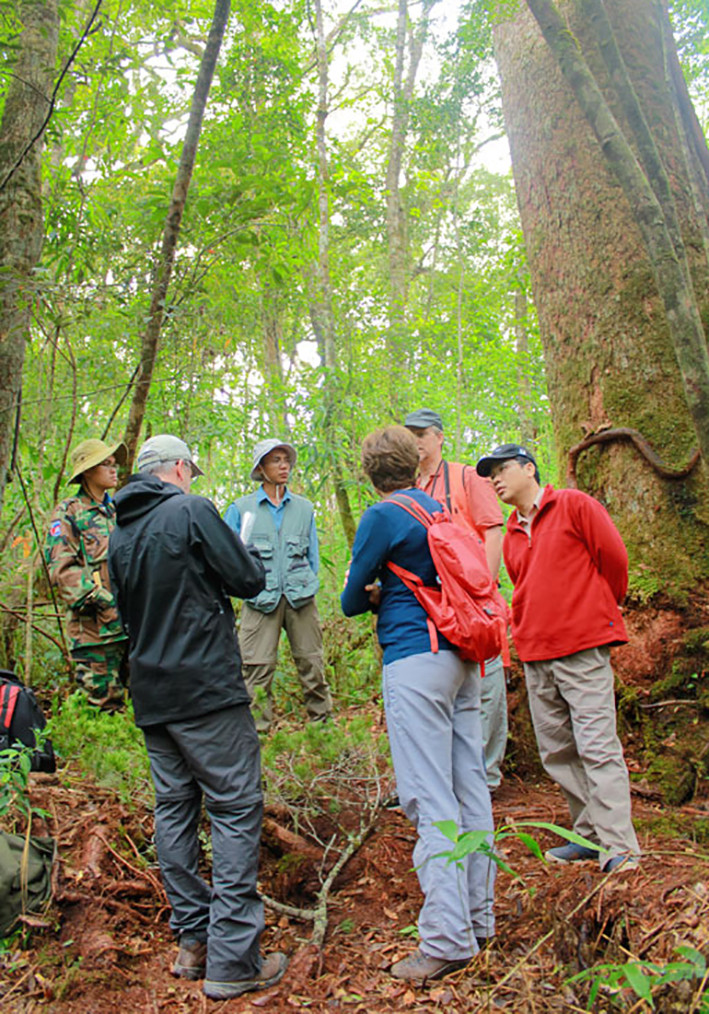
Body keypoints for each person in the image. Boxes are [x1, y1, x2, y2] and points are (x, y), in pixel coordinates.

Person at [107, 434, 288, 1000]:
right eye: (192, 471)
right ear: (179, 469)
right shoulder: (190, 511)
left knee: (176, 810)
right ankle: (234, 958)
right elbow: (249, 579)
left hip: (153, 696)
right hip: (206, 690)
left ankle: (194, 941)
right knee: (235, 808)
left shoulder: (120, 535)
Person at [342, 426, 495, 982]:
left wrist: (379, 591)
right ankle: (478, 920)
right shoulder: (438, 508)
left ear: (370, 471)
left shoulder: (382, 517)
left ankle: (447, 939)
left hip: (415, 659)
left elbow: (349, 600)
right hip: (462, 658)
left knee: (430, 798)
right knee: (469, 787)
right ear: (414, 463)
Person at [476, 443, 640, 872]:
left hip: (582, 647)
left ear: (529, 468)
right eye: (489, 473)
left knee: (597, 746)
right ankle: (588, 836)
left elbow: (614, 560)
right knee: (557, 751)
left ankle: (620, 845)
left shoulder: (573, 505)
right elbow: (521, 583)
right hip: (535, 652)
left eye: (501, 469)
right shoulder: (511, 530)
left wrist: (600, 608)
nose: (495, 479)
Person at [404, 408, 507, 791]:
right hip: (437, 606)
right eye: (410, 434)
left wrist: (485, 590)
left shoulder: (466, 476)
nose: (416, 441)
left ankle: (487, 778)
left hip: (475, 601)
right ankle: (451, 778)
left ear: (440, 437)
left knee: (486, 685)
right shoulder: (412, 487)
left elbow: (494, 531)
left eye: (422, 434)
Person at [224, 438, 332, 732]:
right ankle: (257, 735)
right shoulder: (241, 509)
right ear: (261, 468)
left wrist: (307, 584)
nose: (284, 465)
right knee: (256, 668)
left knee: (312, 664)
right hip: (259, 600)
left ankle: (322, 729)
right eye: (276, 460)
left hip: (301, 598)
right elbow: (227, 556)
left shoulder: (304, 508)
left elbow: (313, 556)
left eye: (286, 460)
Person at [44, 438, 129, 710]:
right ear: (88, 470)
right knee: (103, 706)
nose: (114, 469)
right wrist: (102, 600)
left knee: (136, 703)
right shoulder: (68, 512)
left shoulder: (119, 511)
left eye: (114, 464)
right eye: (106, 464)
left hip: (128, 628)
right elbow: (61, 568)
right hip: (94, 631)